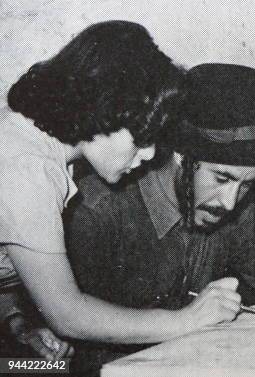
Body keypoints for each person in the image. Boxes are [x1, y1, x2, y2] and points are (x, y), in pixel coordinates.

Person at [64, 64, 255, 372]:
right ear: (180, 156)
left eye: (247, 183)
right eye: (221, 178)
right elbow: (67, 346)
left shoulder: (232, 211)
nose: (230, 201)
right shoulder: (96, 211)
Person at [0, 21, 230, 352]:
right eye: (141, 136)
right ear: (101, 111)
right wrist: (188, 321)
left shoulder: (30, 141)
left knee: (43, 367)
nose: (150, 154)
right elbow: (67, 315)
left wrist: (18, 324)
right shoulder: (27, 168)